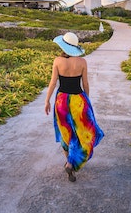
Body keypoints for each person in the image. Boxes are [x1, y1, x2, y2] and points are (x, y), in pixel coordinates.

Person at [45, 32, 104, 182]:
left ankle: (69, 162)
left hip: (62, 101)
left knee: (66, 133)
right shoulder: (82, 62)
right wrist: (87, 101)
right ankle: (72, 162)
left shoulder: (57, 61)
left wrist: (47, 101)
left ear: (63, 46)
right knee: (83, 132)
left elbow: (53, 83)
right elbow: (85, 84)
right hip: (79, 100)